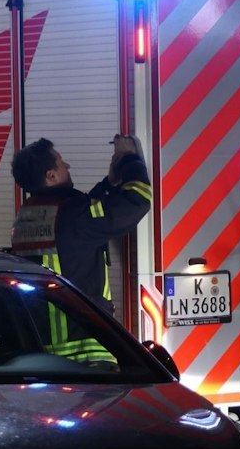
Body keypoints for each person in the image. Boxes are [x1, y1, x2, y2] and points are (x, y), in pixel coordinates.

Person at [9, 135, 154, 317]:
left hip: (46, 330)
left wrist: (108, 183)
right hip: (82, 333)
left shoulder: (28, 215)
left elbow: (81, 220)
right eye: (61, 162)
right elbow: (137, 200)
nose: (67, 166)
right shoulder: (70, 215)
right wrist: (129, 157)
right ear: (51, 175)